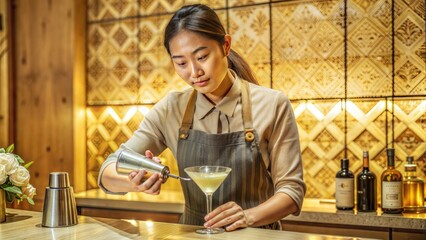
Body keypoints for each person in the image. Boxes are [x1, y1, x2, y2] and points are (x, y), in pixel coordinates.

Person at [98, 4, 305, 231]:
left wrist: (247, 217)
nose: (194, 72)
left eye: (202, 56)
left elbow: (291, 192)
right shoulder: (171, 109)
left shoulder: (272, 104)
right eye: (181, 63)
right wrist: (135, 181)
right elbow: (108, 170)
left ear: (226, 46)